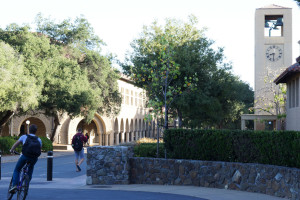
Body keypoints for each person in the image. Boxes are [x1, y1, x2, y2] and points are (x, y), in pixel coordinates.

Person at [9, 124, 42, 193]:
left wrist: (11, 150)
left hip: (25, 156)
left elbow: (16, 144)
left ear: (29, 130)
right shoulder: (39, 139)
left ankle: (14, 185)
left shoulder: (24, 136)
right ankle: (26, 185)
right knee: (30, 168)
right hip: (34, 158)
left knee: (17, 169)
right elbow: (39, 150)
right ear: (36, 131)